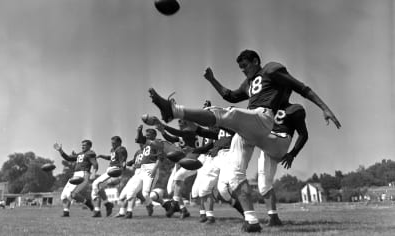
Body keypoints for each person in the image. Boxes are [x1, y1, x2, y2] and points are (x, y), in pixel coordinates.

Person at [149, 49, 341, 232]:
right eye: (240, 67)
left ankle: (173, 110)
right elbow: (229, 95)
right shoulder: (248, 83)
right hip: (254, 130)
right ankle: (251, 220)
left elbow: (302, 87)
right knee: (234, 175)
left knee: (225, 112)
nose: (243, 69)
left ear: (256, 61)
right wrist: (212, 79)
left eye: (245, 65)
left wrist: (325, 108)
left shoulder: (271, 69)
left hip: (264, 120)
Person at [257, 101, 309, 226]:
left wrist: (292, 154)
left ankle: (273, 218)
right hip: (268, 145)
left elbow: (303, 134)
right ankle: (274, 218)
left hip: (280, 140)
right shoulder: (270, 104)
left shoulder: (294, 109)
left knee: (248, 130)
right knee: (263, 185)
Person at [54, 140, 98, 217]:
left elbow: (95, 164)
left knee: (71, 194)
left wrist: (94, 173)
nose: (82, 146)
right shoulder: (80, 154)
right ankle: (66, 213)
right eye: (82, 145)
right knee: (63, 196)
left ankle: (89, 204)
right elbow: (68, 158)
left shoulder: (90, 153)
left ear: (89, 146)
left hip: (83, 174)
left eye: (84, 145)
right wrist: (60, 151)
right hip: (75, 175)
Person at [91, 136, 127, 217]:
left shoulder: (121, 149)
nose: (112, 144)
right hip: (109, 170)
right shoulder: (113, 150)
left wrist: (123, 166)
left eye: (114, 143)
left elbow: (123, 159)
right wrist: (101, 156)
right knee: (97, 187)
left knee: (96, 184)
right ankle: (101, 208)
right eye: (111, 143)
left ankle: (105, 205)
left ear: (119, 142)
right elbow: (111, 158)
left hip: (115, 170)